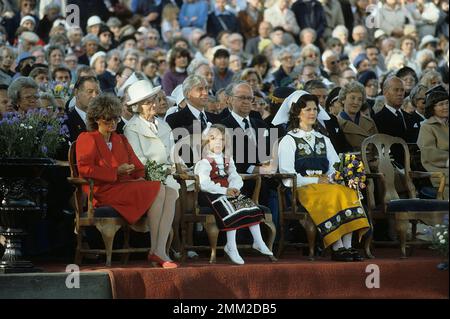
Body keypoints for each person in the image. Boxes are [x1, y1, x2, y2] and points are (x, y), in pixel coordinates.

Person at [76, 93, 178, 269]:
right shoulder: (88, 138)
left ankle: (159, 249)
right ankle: (155, 250)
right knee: (158, 189)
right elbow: (85, 169)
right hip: (102, 191)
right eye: (108, 119)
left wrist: (138, 176)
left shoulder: (120, 139)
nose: (113, 123)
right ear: (97, 119)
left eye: (115, 118)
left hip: (124, 187)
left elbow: (138, 167)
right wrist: (116, 171)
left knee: (170, 191)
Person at [277, 91, 370, 261]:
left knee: (348, 192)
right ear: (297, 112)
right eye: (307, 109)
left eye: (315, 109)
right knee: (334, 194)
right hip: (301, 189)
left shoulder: (323, 139)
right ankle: (337, 247)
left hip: (325, 186)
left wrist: (335, 176)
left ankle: (348, 247)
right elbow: (288, 175)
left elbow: (335, 165)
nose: (312, 113)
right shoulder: (289, 140)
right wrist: (316, 180)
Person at [194, 124, 273, 265]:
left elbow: (234, 175)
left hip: (227, 193)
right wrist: (225, 191)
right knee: (231, 208)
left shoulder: (227, 159)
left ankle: (258, 241)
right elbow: (204, 184)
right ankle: (231, 245)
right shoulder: (204, 162)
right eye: (214, 138)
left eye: (223, 139)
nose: (219, 142)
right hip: (211, 195)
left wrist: (234, 187)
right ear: (207, 141)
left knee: (248, 206)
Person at [417, 85, 449, 199]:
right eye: (441, 104)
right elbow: (430, 153)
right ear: (432, 108)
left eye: (447, 103)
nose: (445, 107)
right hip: (439, 173)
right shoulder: (427, 127)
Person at [336, 81, 378, 153]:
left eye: (360, 99)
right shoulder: (336, 123)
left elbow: (378, 148)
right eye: (352, 98)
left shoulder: (369, 122)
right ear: (343, 99)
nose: (356, 102)